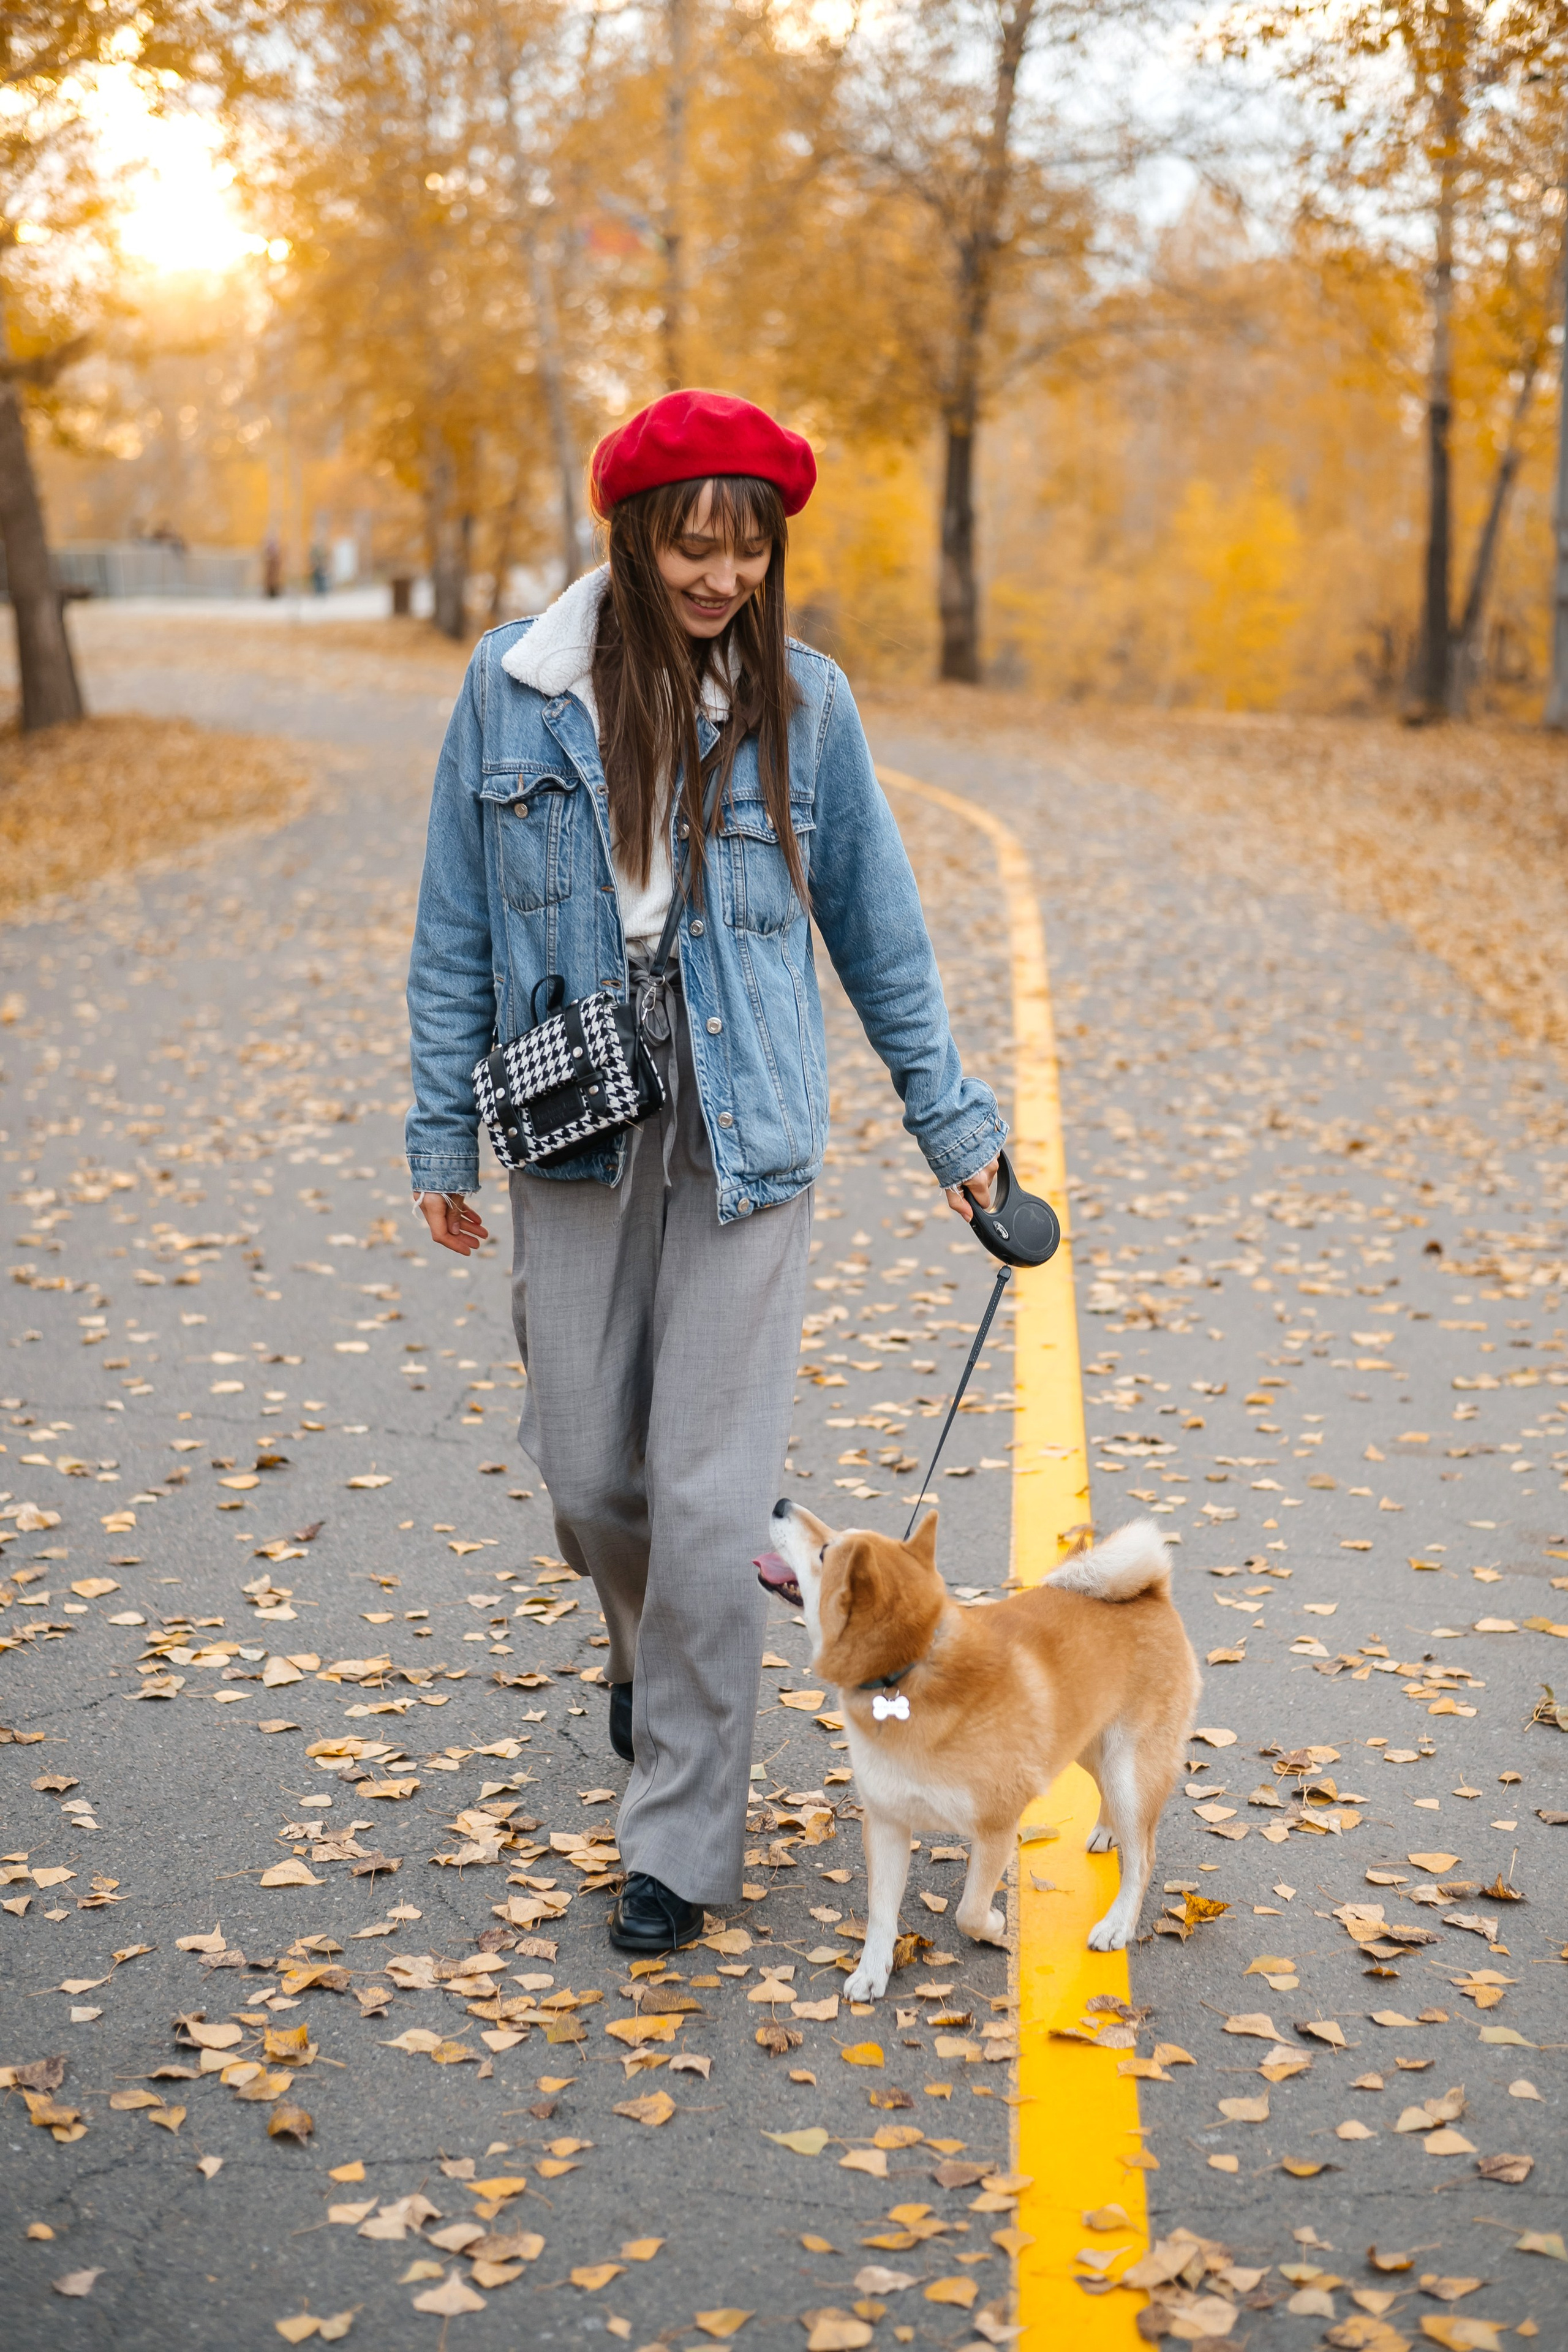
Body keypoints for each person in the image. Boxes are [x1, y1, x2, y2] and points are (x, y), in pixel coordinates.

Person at [404, 388, 1004, 1954]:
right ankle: (644, 1647)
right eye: (693, 542)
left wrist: (958, 1135)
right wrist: (433, 1132)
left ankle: (676, 1831)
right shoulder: (513, 691)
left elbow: (880, 933)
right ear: (632, 535)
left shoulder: (805, 705)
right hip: (578, 1125)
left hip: (747, 1127)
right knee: (594, 1473)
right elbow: (456, 924)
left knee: (704, 1491)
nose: (721, 574)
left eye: (747, 547)